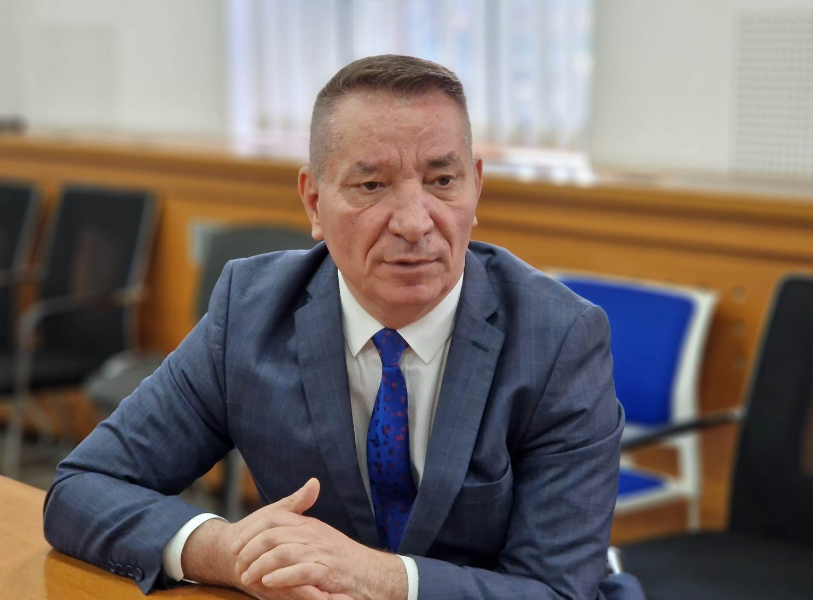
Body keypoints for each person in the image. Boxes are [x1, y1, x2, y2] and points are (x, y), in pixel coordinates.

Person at [43, 55, 638, 600]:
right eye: (371, 185)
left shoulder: (559, 337)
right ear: (313, 202)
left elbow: (558, 591)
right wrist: (227, 552)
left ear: (476, 186)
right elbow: (83, 487)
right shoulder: (251, 310)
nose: (414, 223)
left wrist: (378, 577)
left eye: (443, 181)